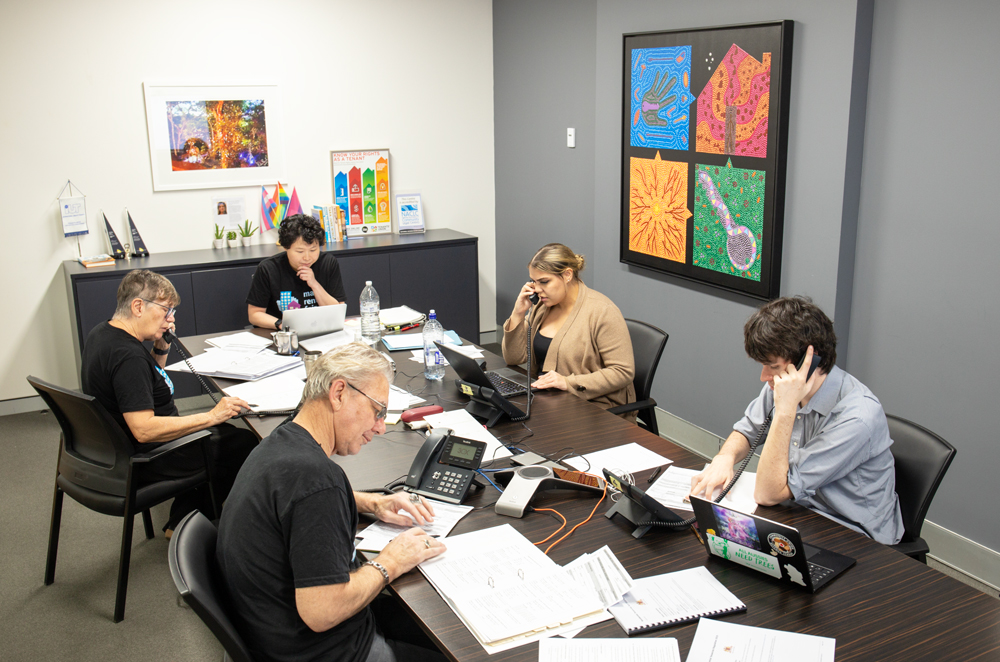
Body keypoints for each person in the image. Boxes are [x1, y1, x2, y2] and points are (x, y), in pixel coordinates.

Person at [217, 343, 446, 662]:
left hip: (270, 634)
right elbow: (322, 611)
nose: (380, 427)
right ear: (339, 392)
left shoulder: (283, 443)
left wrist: (371, 503)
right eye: (378, 410)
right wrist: (390, 562)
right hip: (327, 651)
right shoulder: (318, 480)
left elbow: (294, 501)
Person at [689, 296, 904, 545]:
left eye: (772, 366)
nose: (763, 376)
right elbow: (747, 431)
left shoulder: (857, 418)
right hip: (801, 510)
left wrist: (785, 410)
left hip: (855, 535)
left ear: (808, 363)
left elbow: (768, 493)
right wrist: (724, 458)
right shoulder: (783, 384)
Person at [81, 269, 257, 535]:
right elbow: (143, 429)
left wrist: (161, 348)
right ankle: (186, 523)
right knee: (242, 444)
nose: (170, 319)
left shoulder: (103, 333)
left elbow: (145, 383)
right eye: (166, 311)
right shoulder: (128, 357)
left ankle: (184, 516)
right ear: (138, 306)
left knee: (225, 436)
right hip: (147, 456)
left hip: (112, 449)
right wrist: (211, 416)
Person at [501, 243, 636, 419]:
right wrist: (518, 313)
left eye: (544, 282)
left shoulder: (602, 311)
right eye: (533, 281)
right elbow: (513, 358)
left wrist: (568, 382)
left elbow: (622, 372)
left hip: (591, 407)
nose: (537, 289)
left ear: (567, 275)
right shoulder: (542, 306)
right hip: (548, 400)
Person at [247, 214, 347, 330]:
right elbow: (254, 314)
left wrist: (314, 284)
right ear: (285, 247)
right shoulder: (268, 268)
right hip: (282, 334)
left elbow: (337, 311)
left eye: (313, 250)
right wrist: (282, 324)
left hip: (320, 330)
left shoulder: (328, 263)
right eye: (300, 251)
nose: (307, 257)